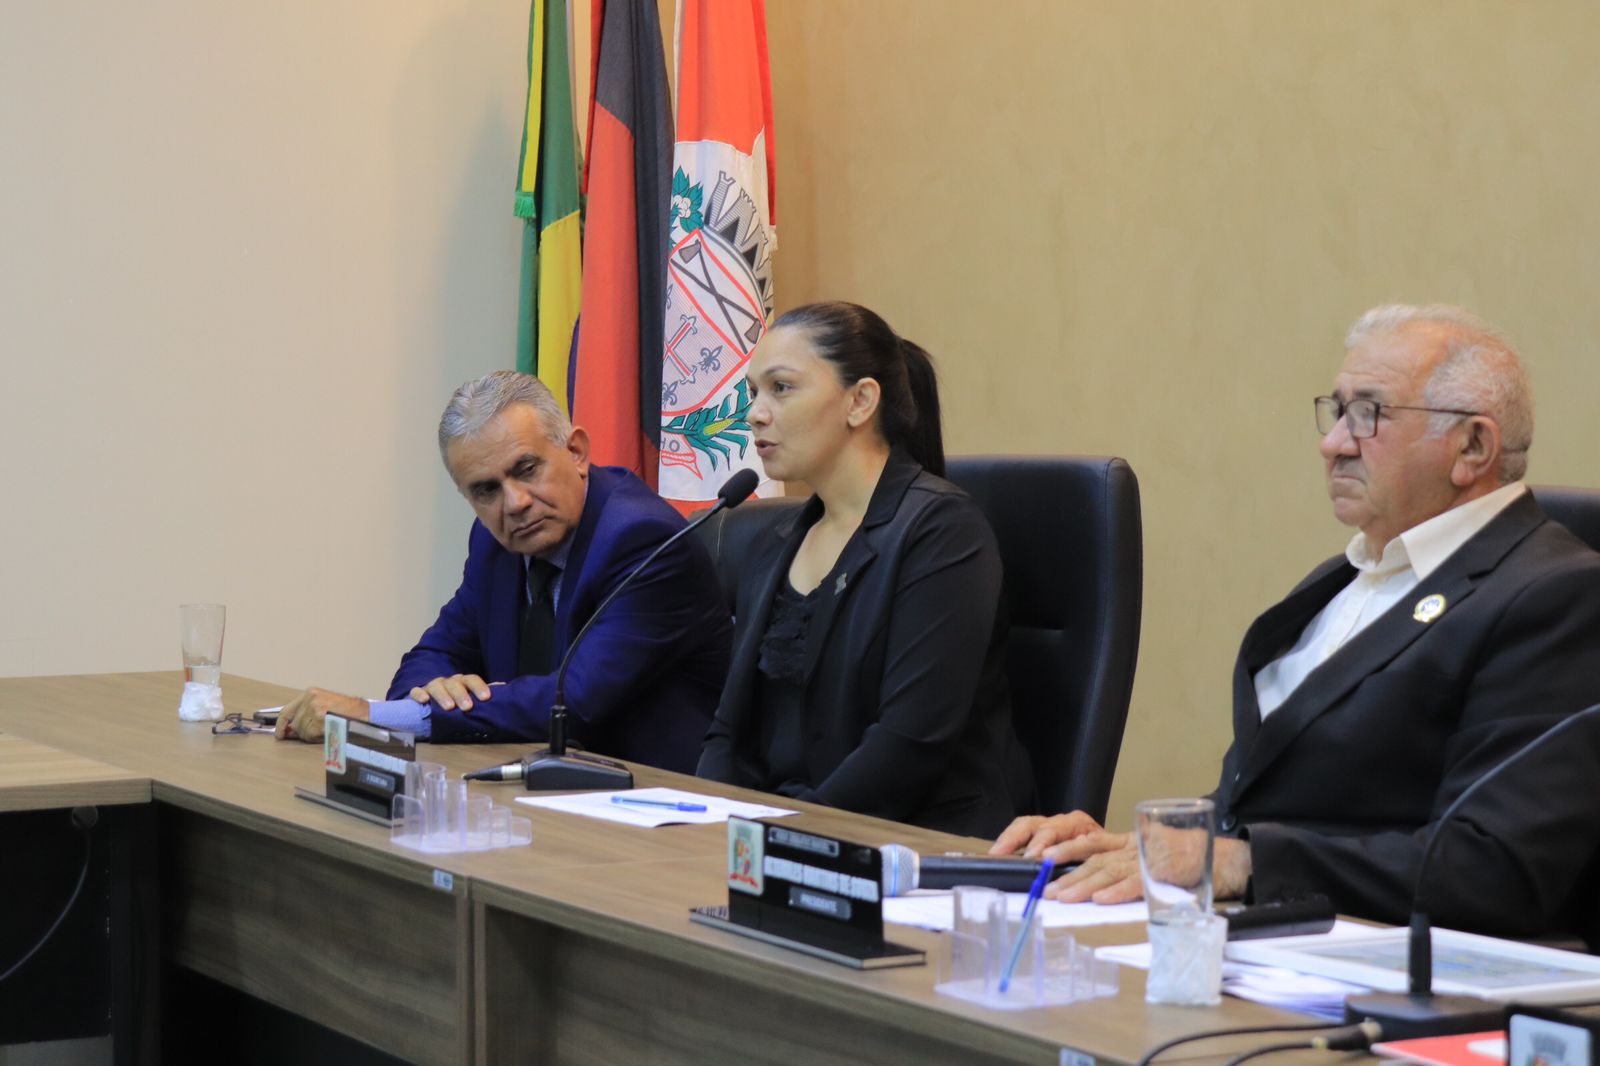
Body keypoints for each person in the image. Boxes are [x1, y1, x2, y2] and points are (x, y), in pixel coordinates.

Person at [992, 304, 1600, 939]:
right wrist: (1147, 845)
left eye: (1368, 414)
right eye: (1336, 412)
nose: (1332, 443)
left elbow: (1496, 865)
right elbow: (1283, 792)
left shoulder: (1556, 594)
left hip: (1407, 965)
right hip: (1271, 935)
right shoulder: (1343, 578)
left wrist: (1242, 862)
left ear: (1472, 446)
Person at [275, 371, 732, 773]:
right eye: (486, 490)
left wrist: (374, 715)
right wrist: (436, 692)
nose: (515, 503)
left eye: (526, 469)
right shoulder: (494, 542)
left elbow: (571, 703)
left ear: (576, 451)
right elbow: (435, 652)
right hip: (543, 789)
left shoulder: (642, 540)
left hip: (660, 803)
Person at [696, 302, 1032, 837]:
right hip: (785, 835)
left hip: (916, 843)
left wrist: (784, 838)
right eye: (753, 393)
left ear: (860, 401)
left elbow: (908, 744)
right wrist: (701, 824)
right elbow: (727, 733)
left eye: (781, 388)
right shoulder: (772, 540)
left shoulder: (943, 532)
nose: (755, 413)